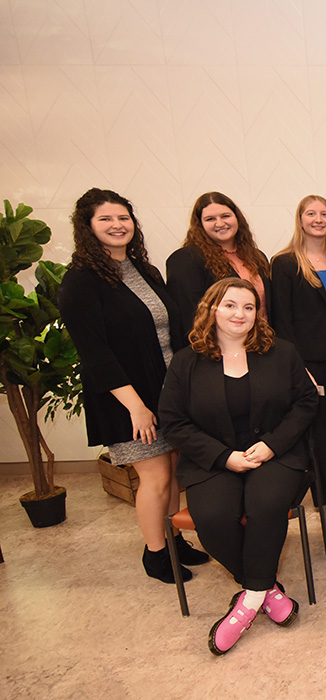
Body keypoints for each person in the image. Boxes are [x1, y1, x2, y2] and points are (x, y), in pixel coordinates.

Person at [158, 278, 318, 655]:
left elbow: (307, 403)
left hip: (275, 455)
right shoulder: (186, 361)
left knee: (267, 505)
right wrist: (223, 456)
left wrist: (270, 445)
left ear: (257, 314)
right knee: (212, 516)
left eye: (248, 307)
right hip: (213, 459)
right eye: (230, 305)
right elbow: (173, 421)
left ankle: (246, 605)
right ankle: (264, 591)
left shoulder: (281, 352)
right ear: (212, 309)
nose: (239, 314)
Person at [58, 187, 206, 584]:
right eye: (105, 219)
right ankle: (156, 554)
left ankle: (173, 538)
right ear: (87, 227)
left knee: (173, 470)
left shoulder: (144, 270)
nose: (117, 225)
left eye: (123, 218)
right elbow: (96, 353)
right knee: (154, 476)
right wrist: (135, 406)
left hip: (166, 389)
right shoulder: (80, 282)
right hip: (126, 397)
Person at [271, 195, 326, 505]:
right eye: (311, 213)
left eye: (324, 214)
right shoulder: (285, 263)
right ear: (300, 219)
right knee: (319, 426)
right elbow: (281, 319)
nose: (318, 219)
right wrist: (297, 367)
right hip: (310, 358)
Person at [166, 192, 272, 322]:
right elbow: (188, 315)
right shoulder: (186, 259)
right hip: (219, 341)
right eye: (210, 219)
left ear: (237, 218)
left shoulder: (256, 256)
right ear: (200, 224)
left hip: (263, 338)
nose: (220, 223)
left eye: (225, 216)